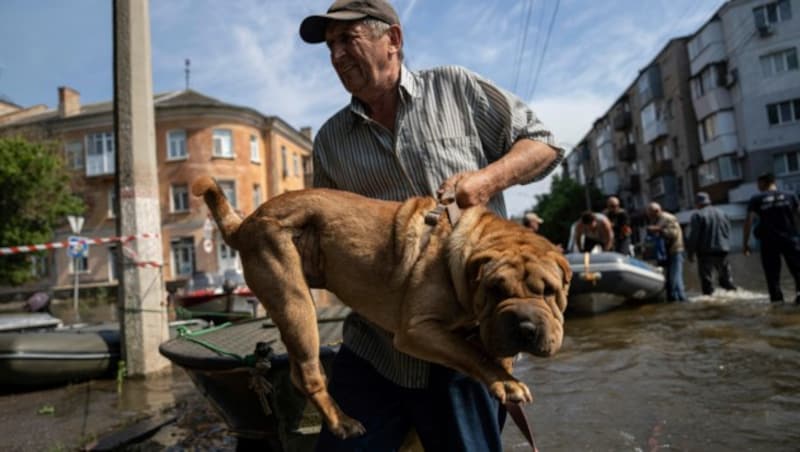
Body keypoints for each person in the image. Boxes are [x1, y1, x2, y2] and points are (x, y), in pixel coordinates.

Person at [298, 1, 564, 450]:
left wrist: (486, 180)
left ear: (393, 40)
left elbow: (544, 146)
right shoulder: (330, 140)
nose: (337, 55)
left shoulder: (455, 87)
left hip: (468, 349)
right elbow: (322, 235)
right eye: (330, 46)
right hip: (374, 349)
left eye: (348, 39)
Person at [743, 172, 800, 304]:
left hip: (769, 243)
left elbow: (748, 222)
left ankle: (777, 305)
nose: (757, 186)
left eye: (758, 183)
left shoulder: (756, 199)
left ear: (763, 182)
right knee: (798, 272)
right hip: (791, 240)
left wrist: (745, 244)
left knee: (772, 277)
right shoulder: (790, 195)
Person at [686, 192, 737, 295]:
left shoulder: (697, 215)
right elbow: (728, 230)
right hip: (723, 250)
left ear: (697, 203)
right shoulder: (722, 213)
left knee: (707, 281)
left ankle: (710, 300)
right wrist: (727, 245)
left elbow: (694, 236)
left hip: (705, 252)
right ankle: (732, 294)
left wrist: (690, 253)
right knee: (726, 277)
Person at [646, 202, 687, 302]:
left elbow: (673, 233)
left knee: (675, 280)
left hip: (675, 251)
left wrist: (658, 230)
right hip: (665, 253)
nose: (649, 216)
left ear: (656, 211)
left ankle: (682, 300)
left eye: (650, 214)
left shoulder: (668, 218)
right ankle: (673, 300)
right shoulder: (657, 219)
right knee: (669, 281)